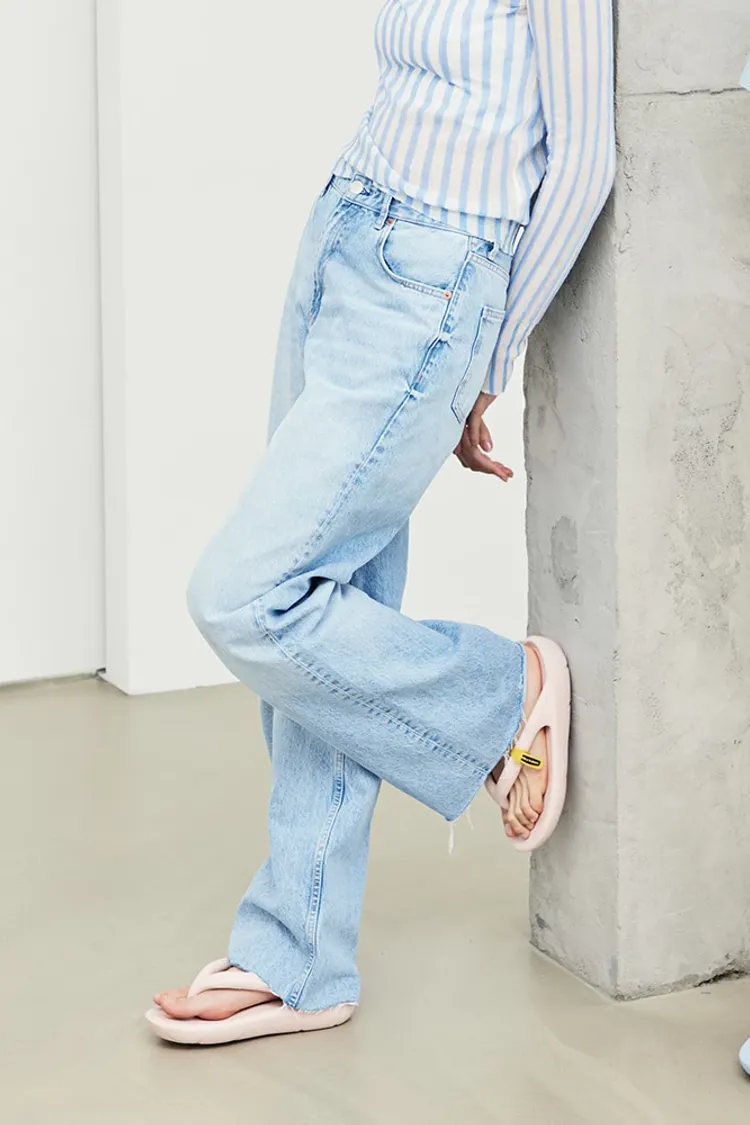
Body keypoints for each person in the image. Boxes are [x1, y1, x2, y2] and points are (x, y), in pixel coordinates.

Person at [147, 0, 616, 1045]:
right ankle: (298, 959)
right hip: (346, 234)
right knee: (320, 601)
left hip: (435, 277)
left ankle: (503, 695)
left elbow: (585, 159)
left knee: (246, 596)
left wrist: (487, 358)